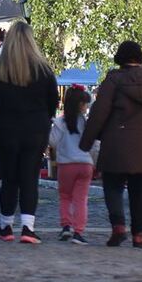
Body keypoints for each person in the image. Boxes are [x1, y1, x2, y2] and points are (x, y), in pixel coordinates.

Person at [79, 41, 142, 249]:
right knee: (139, 188)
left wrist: (87, 141)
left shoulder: (113, 81)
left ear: (119, 59)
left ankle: (118, 227)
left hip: (116, 143)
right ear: (141, 59)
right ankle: (139, 234)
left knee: (113, 186)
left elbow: (99, 113)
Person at [0, 20, 58, 244]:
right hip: (35, 131)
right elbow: (53, 102)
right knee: (30, 178)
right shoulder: (44, 71)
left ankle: (6, 226)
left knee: (9, 178)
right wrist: (44, 120)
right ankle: (28, 229)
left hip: (6, 130)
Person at [50, 87, 97, 245]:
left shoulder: (60, 122)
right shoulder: (87, 123)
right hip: (85, 164)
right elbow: (95, 145)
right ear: (81, 105)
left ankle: (66, 226)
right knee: (81, 199)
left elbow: (52, 141)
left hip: (66, 165)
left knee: (65, 197)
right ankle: (78, 231)